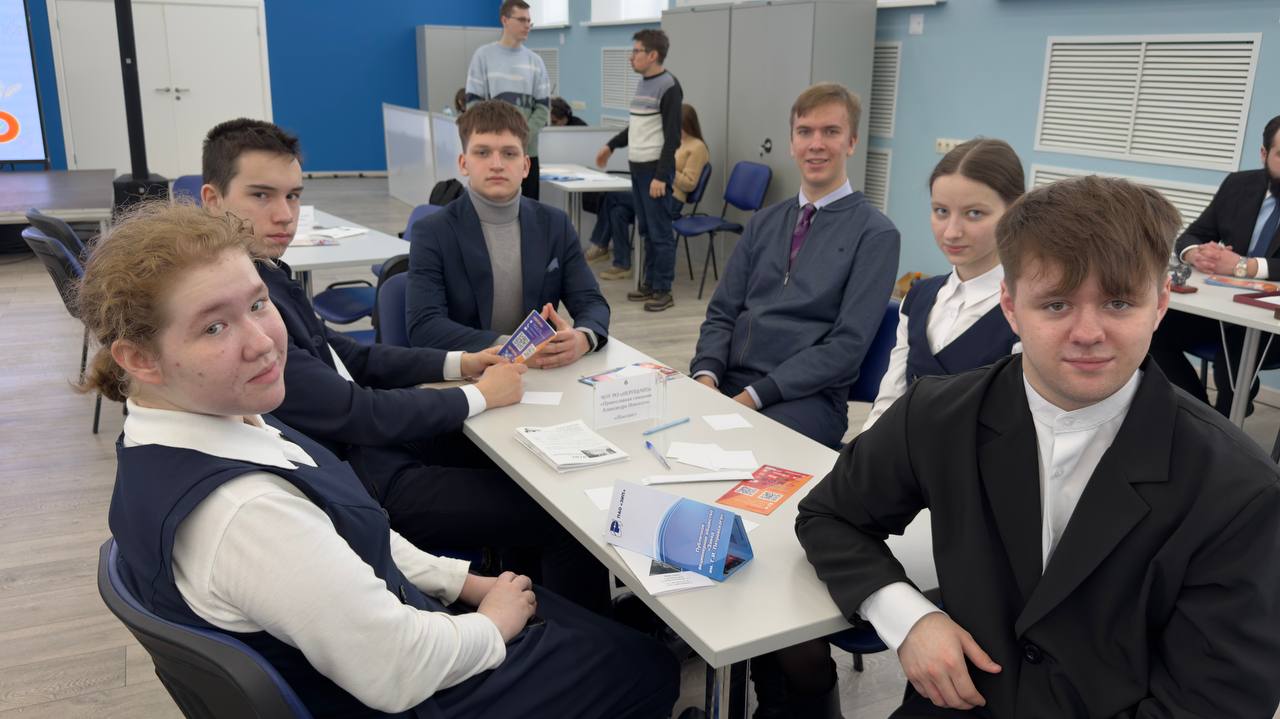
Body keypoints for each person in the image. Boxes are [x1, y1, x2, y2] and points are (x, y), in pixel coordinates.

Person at [83, 202, 681, 719]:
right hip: (416, 692)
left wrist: (463, 581)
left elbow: (353, 532)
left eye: (259, 304)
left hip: (395, 634)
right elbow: (399, 667)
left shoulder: (198, 427)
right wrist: (493, 623)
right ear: (139, 358)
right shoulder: (247, 513)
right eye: (214, 327)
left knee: (587, 629)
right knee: (647, 666)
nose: (263, 342)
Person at [797, 176, 1280, 718]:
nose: (1088, 332)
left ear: (1161, 304)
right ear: (1010, 305)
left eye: (1119, 302)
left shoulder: (1237, 488)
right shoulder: (938, 414)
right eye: (1055, 305)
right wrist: (908, 617)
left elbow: (1217, 699)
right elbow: (829, 515)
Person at [199, 118, 609, 614]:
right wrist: (480, 393)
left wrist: (464, 363)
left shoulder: (268, 278)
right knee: (558, 510)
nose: (285, 215)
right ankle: (584, 635)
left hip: (373, 449)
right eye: (261, 196)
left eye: (293, 196)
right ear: (213, 200)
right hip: (361, 478)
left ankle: (525, 589)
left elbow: (352, 357)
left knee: (533, 469)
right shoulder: (242, 307)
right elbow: (355, 409)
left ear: (526, 164)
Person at [690, 83, 900, 450]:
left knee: (733, 448)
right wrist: (705, 377)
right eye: (805, 132)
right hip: (730, 380)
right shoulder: (763, 223)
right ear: (792, 143)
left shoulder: (876, 234)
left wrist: (750, 398)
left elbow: (847, 345)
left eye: (830, 131)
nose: (816, 144)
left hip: (809, 399)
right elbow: (722, 312)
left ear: (851, 142)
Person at [406, 100, 609, 369]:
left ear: (525, 166)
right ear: (463, 163)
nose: (497, 164)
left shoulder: (555, 225)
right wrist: (513, 349)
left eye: (509, 153)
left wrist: (582, 338)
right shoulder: (432, 231)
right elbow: (424, 327)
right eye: (482, 152)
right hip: (468, 375)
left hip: (540, 374)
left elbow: (591, 302)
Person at [863, 138, 1024, 430]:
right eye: (941, 211)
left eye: (974, 213)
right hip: (899, 450)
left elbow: (1014, 425)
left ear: (1013, 210)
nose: (951, 232)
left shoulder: (1024, 312)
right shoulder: (918, 297)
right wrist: (862, 452)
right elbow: (889, 402)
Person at [1149, 114, 1280, 417]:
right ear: (1263, 154)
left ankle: (1226, 420)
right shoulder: (1238, 185)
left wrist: (1245, 266)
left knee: (1234, 354)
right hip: (1225, 309)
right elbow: (1192, 235)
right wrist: (1196, 254)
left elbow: (1242, 266)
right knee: (1151, 325)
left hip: (1269, 323)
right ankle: (1197, 415)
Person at [594, 29, 683, 311]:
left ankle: (663, 290)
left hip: (654, 171)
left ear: (652, 55)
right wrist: (611, 145)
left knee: (660, 233)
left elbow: (673, 137)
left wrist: (661, 176)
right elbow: (637, 127)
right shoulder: (644, 84)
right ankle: (650, 284)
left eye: (636, 51)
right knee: (646, 231)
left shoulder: (669, 86)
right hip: (638, 168)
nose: (631, 57)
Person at [595, 104, 710, 282]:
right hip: (653, 192)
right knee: (617, 212)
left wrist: (665, 168)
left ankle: (601, 244)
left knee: (613, 196)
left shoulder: (697, 147)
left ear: (689, 124)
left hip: (671, 200)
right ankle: (622, 264)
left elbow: (689, 184)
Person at [465, 0, 550, 200]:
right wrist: (500, 138)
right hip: (491, 155)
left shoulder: (536, 62)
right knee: (490, 209)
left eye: (529, 21)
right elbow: (473, 106)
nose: (527, 25)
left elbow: (543, 109)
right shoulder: (483, 56)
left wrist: (520, 137)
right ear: (505, 20)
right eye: (521, 20)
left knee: (528, 210)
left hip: (526, 154)